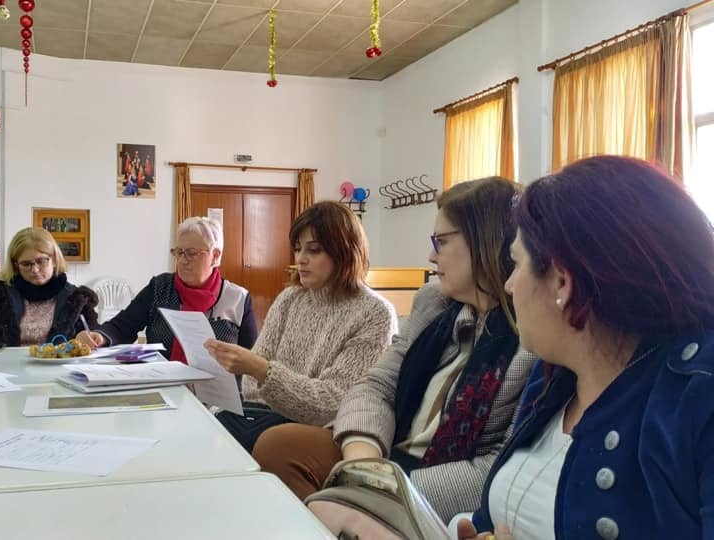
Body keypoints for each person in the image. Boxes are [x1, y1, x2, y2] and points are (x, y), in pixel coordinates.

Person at [458, 156, 714, 540]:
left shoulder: (697, 395)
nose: (509, 286)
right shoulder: (554, 377)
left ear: (562, 282)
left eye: (516, 264)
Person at [252, 178, 535, 521]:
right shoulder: (434, 305)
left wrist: (385, 490)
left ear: (484, 243)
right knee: (278, 444)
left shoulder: (529, 337)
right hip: (385, 452)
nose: (431, 254)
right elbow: (376, 386)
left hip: (433, 475)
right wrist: (363, 463)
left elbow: (496, 467)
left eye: (441, 242)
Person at [204, 201, 397, 453]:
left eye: (314, 250)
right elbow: (251, 387)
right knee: (204, 426)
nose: (301, 260)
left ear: (344, 251)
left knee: (228, 440)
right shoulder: (291, 298)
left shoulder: (375, 313)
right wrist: (259, 372)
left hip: (327, 431)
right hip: (270, 418)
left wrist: (263, 370)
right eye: (297, 249)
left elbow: (334, 403)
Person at [77, 217, 257, 364]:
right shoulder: (160, 288)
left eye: (191, 253)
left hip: (217, 399)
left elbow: (251, 358)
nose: (182, 260)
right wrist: (100, 336)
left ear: (215, 256)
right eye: (179, 252)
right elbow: (123, 326)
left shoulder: (238, 299)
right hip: (164, 386)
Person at [0, 227, 99, 347]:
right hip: (6, 370)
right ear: (15, 265)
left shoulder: (77, 299)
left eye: (41, 261)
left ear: (55, 260)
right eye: (26, 264)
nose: (35, 270)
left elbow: (94, 338)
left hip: (59, 371)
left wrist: (88, 338)